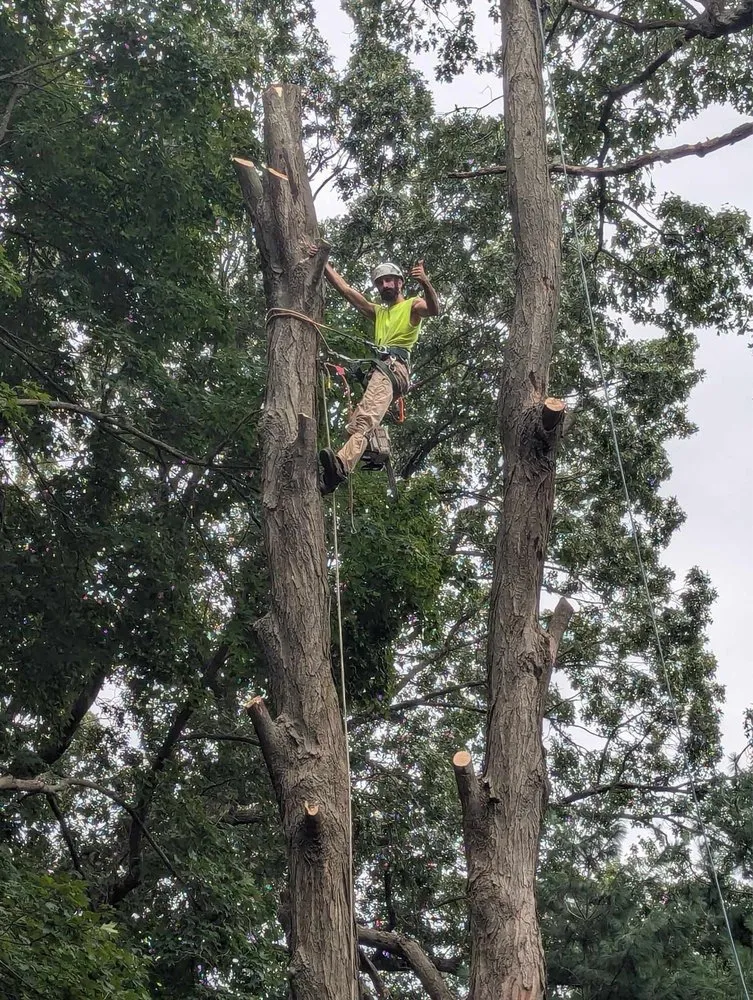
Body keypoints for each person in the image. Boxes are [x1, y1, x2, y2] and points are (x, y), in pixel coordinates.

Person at [312, 248, 441, 494]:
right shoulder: (379, 312)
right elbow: (347, 291)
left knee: (365, 418)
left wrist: (425, 283)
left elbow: (434, 310)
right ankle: (336, 471)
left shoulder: (412, 306)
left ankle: (340, 467)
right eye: (380, 282)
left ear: (400, 282)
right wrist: (323, 262)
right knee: (360, 417)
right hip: (381, 370)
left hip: (393, 368)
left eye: (389, 280)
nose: (385, 285)